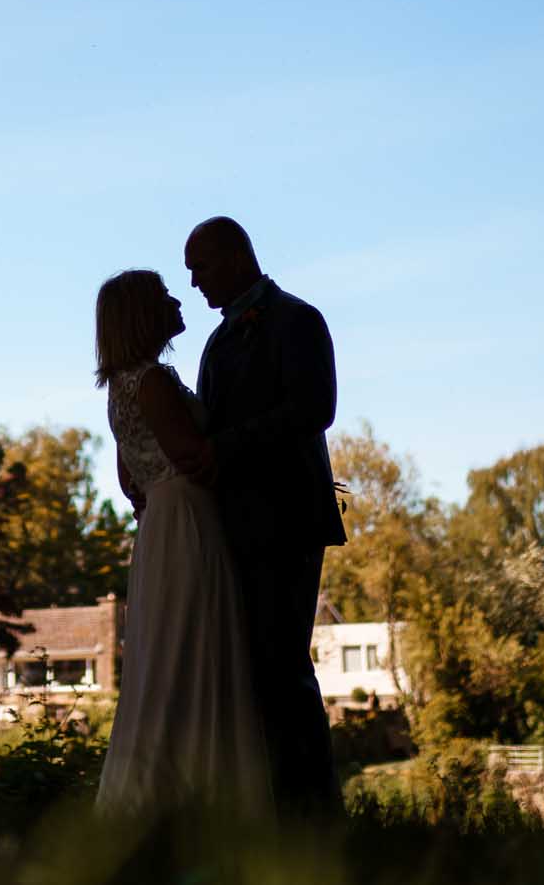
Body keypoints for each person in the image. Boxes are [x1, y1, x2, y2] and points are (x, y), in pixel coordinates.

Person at [93, 269, 270, 816]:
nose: (177, 298)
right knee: (197, 641)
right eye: (164, 294)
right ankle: (204, 796)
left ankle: (160, 791)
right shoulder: (151, 382)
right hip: (188, 520)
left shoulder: (121, 388)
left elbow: (129, 481)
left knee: (166, 649)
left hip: (158, 527)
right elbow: (192, 456)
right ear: (145, 314)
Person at [185, 216, 345, 819]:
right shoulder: (218, 340)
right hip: (233, 527)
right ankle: (277, 810)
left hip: (287, 521)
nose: (195, 283)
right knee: (252, 673)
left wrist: (223, 450)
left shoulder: (297, 320)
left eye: (200, 267)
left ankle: (314, 813)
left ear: (234, 256)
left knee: (282, 668)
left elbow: (314, 408)